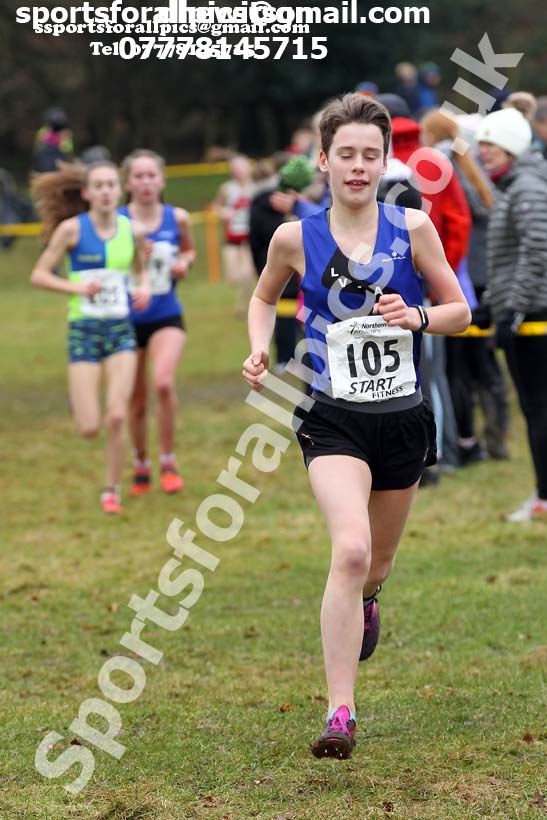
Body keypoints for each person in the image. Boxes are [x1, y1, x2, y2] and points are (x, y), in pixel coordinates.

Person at [243, 93, 470, 758]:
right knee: (348, 550)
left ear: (385, 161)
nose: (358, 166)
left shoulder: (412, 227)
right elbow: (263, 295)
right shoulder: (294, 237)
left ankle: (368, 599)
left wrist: (418, 317)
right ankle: (339, 712)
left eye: (371, 155)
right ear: (323, 160)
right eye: (346, 154)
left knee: (375, 564)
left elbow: (459, 310)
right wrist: (258, 348)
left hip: (402, 418)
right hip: (331, 417)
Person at [30, 161, 150, 514]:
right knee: (89, 427)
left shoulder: (133, 230)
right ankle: (80, 401)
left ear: (120, 190)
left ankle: (111, 490)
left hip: (120, 330)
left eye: (111, 184)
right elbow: (39, 275)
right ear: (86, 193)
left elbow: (139, 270)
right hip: (83, 330)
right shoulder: (71, 230)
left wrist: (142, 288)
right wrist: (78, 288)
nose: (106, 191)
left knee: (117, 416)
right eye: (99, 186)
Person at [420, 109, 509, 462]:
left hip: (464, 278)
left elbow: (459, 223)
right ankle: (493, 438)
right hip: (481, 278)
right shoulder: (468, 165)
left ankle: (469, 442)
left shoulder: (444, 167)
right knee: (482, 364)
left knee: (457, 368)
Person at [477, 107, 547, 521]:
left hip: (535, 317)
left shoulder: (527, 187)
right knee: (535, 409)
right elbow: (509, 258)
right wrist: (493, 305)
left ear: (512, 147)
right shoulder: (513, 186)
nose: (483, 152)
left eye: (491, 145)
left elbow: (537, 251)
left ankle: (544, 497)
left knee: (539, 410)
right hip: (524, 312)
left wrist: (513, 310)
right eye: (482, 145)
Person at [120, 149, 195, 495]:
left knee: (163, 383)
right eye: (139, 176)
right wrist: (133, 255)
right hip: (126, 318)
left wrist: (184, 263)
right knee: (136, 398)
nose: (146, 182)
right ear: (128, 183)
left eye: (152, 175)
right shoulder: (117, 222)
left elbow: (188, 250)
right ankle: (141, 464)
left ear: (162, 180)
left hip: (166, 314)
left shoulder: (177, 218)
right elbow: (105, 267)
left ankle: (168, 460)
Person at [212, 155, 255, 318]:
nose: (239, 172)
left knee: (247, 274)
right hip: (231, 238)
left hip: (250, 237)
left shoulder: (255, 186)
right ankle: (242, 302)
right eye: (235, 169)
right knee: (233, 278)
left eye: (241, 167)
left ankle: (242, 306)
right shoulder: (227, 188)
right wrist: (223, 212)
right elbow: (216, 206)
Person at [33, 107, 74, 173]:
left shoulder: (66, 134)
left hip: (61, 167)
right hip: (44, 167)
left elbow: (67, 151)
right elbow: (38, 149)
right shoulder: (43, 132)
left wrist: (62, 139)